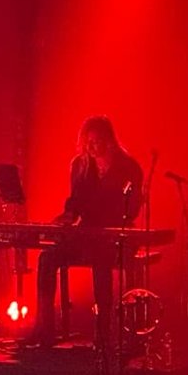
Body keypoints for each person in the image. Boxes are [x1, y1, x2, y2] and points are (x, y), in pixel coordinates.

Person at [31, 115, 145, 347]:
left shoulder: (128, 167)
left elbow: (131, 209)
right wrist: (67, 216)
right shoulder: (80, 165)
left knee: (100, 259)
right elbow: (76, 201)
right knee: (47, 258)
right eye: (87, 141)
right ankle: (44, 329)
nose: (90, 147)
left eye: (96, 141)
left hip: (115, 236)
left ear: (109, 140)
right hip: (86, 233)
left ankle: (103, 332)